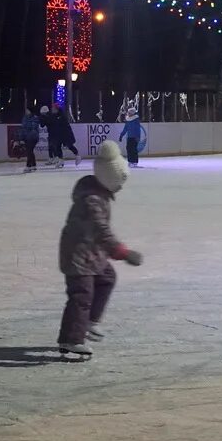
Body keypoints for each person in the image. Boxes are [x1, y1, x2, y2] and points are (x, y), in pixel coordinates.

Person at [56, 141, 143, 358]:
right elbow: (102, 231)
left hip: (91, 252)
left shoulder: (98, 193)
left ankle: (88, 322)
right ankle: (71, 340)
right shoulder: (92, 201)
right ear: (109, 179)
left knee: (107, 278)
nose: (121, 188)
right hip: (78, 255)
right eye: (119, 183)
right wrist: (122, 252)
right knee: (81, 295)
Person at [20, 106, 42, 172]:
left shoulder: (35, 118)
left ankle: (28, 165)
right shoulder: (24, 118)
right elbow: (23, 128)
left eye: (27, 110)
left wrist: (27, 127)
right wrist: (21, 138)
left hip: (33, 137)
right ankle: (33, 165)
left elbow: (33, 126)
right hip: (26, 137)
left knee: (29, 151)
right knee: (30, 151)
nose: (26, 111)